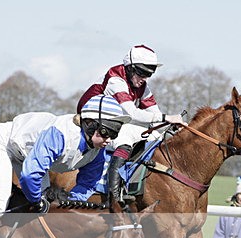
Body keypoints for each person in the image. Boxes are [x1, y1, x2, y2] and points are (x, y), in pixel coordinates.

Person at [74, 44, 186, 204]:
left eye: (150, 73)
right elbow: (131, 113)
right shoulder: (116, 80)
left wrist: (172, 124)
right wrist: (166, 117)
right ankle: (113, 196)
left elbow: (154, 112)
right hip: (91, 124)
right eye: (142, 73)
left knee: (156, 134)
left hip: (111, 121)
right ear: (130, 68)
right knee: (125, 137)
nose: (145, 78)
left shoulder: (142, 86)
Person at [0, 94, 131, 214]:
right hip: (4, 144)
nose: (109, 140)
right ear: (90, 125)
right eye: (107, 132)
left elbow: (88, 183)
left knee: (46, 210)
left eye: (114, 134)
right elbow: (30, 175)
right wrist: (36, 201)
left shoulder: (98, 151)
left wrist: (71, 204)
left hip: (29, 157)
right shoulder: (59, 135)